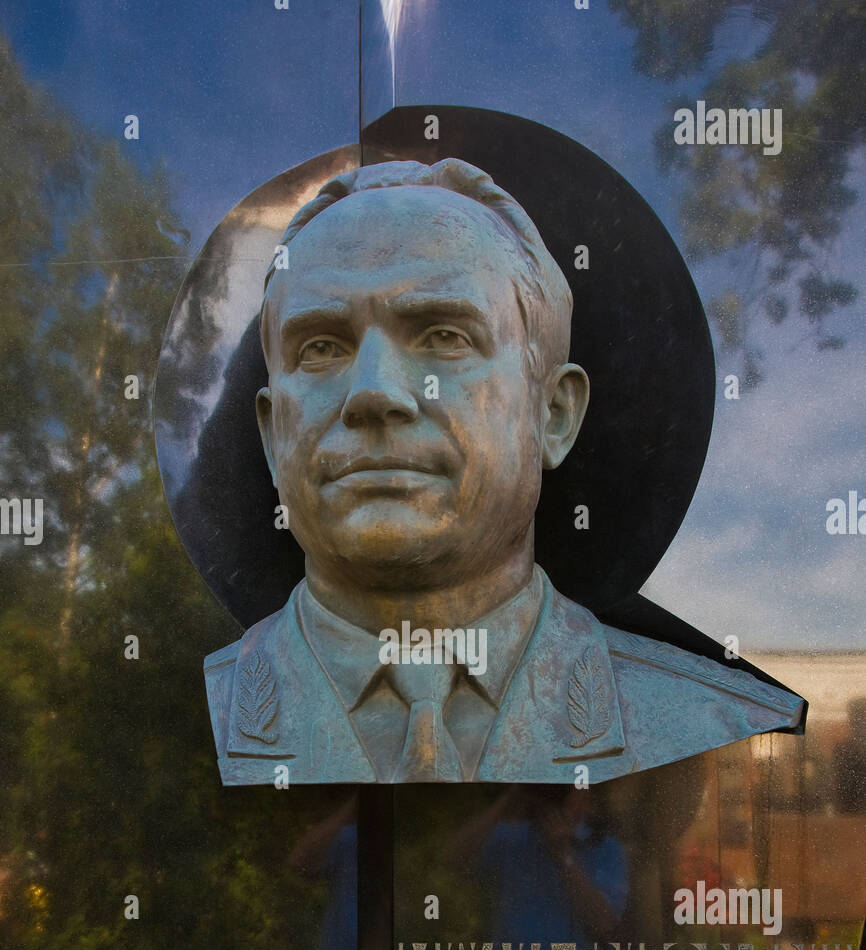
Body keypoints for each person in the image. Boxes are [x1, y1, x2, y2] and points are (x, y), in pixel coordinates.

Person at [204, 158, 803, 785]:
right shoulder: (171, 735)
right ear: (272, 436)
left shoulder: (711, 723)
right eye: (321, 347)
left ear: (552, 413)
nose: (374, 393)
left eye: (443, 336)